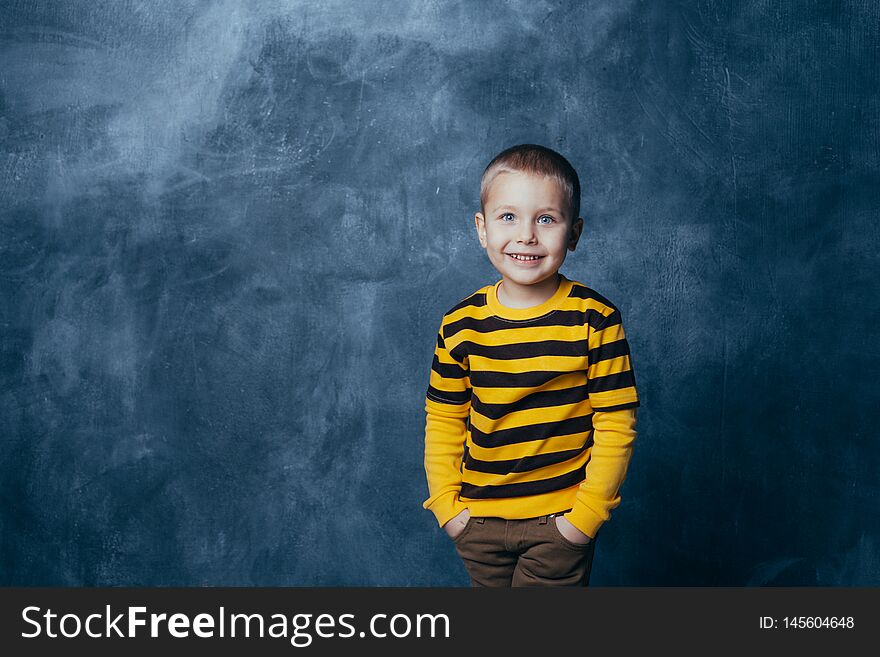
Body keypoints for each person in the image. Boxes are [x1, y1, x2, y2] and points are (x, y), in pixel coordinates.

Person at [422, 143, 640, 587]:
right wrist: (448, 508)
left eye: (546, 218)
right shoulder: (460, 324)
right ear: (481, 229)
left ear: (573, 233)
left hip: (557, 523)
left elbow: (616, 423)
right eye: (508, 217)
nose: (526, 235)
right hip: (478, 522)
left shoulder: (594, 319)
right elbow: (444, 419)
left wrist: (583, 519)